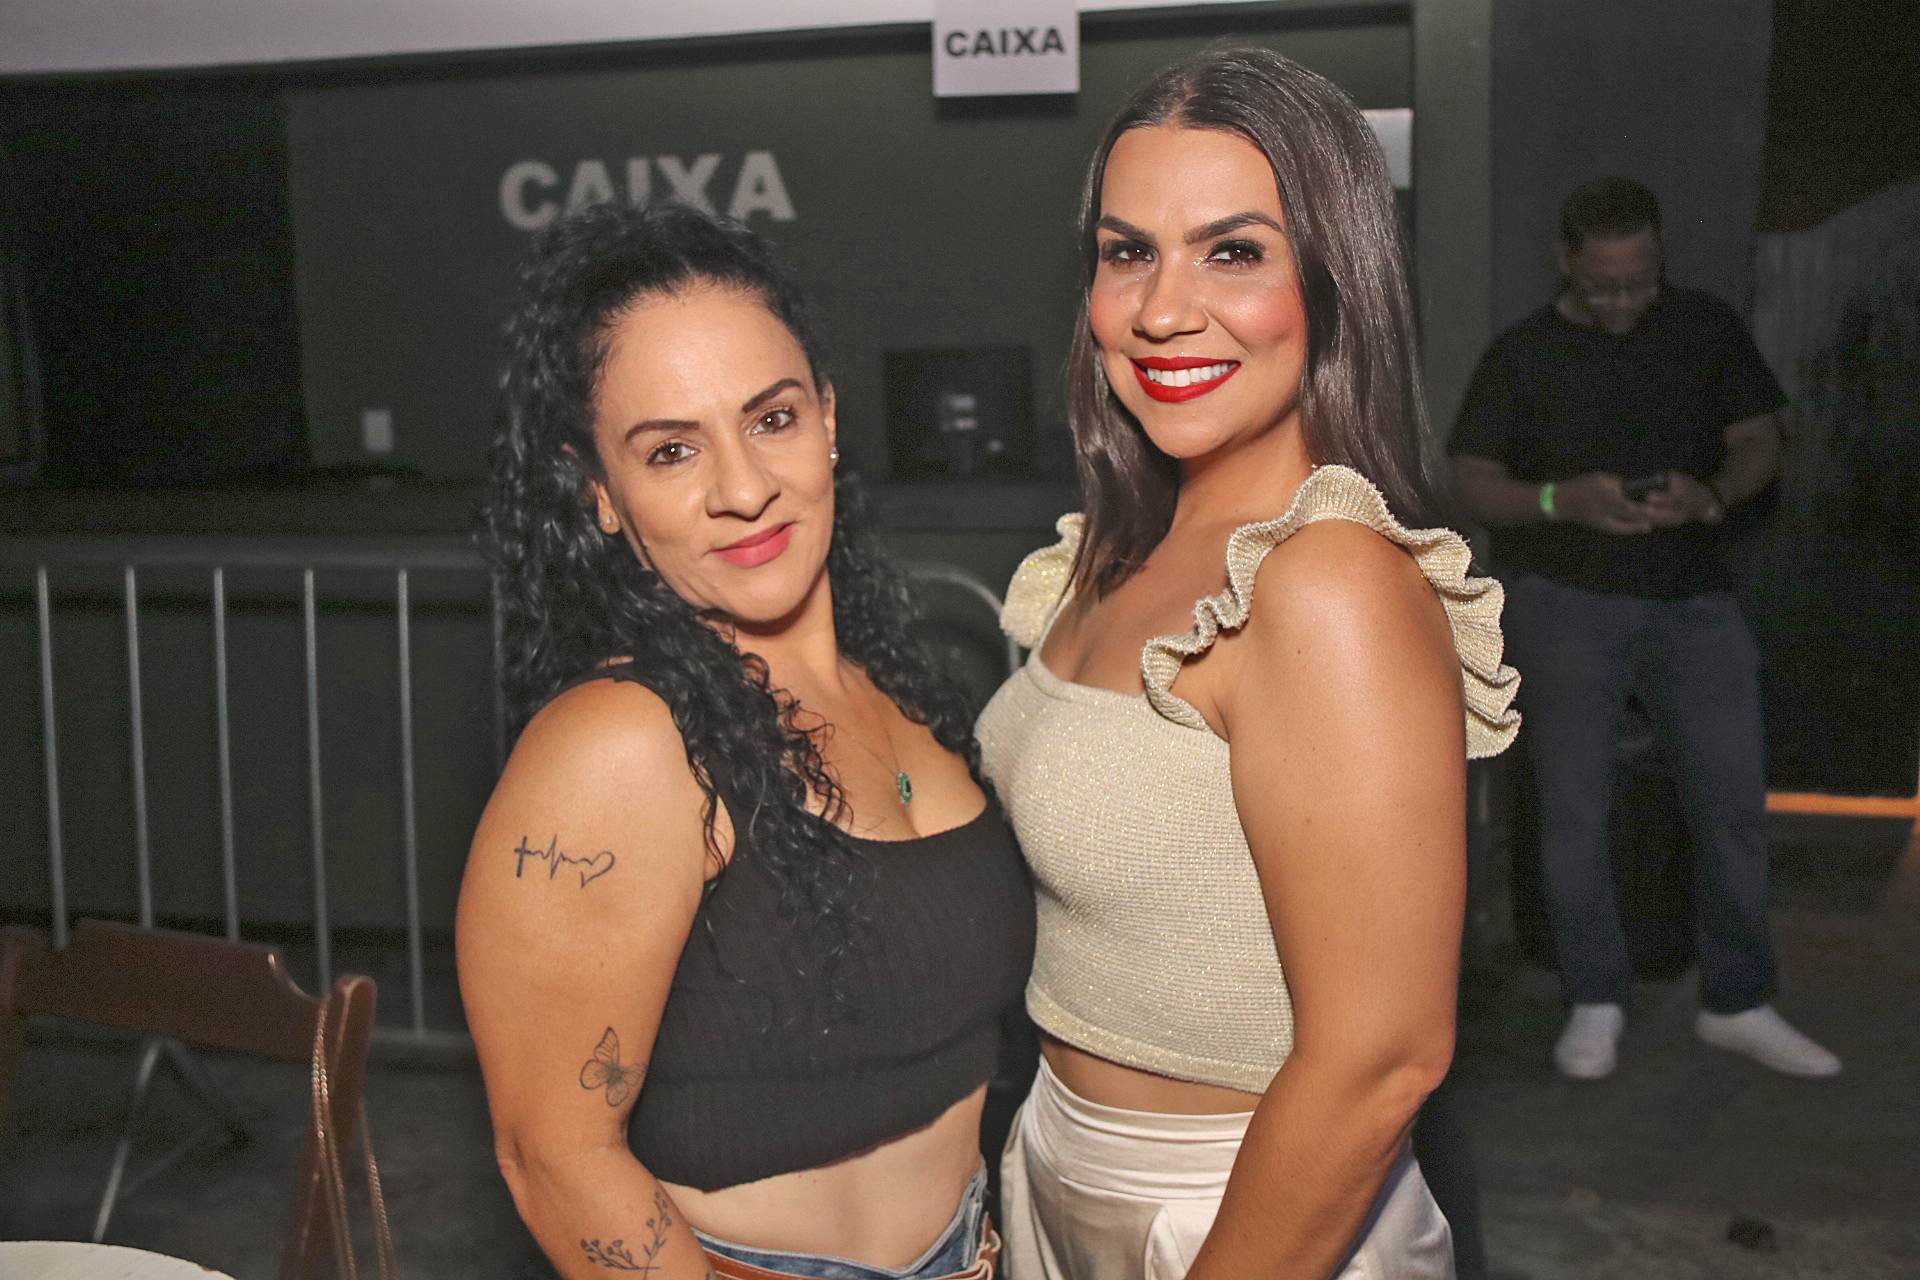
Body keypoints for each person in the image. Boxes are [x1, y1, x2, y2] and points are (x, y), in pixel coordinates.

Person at [975, 47, 1521, 1280]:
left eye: (1232, 251)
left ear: (1335, 278)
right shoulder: (1125, 539)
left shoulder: (1325, 581)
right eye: (1128, 252)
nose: (1163, 308)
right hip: (1064, 1163)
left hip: (1245, 1212)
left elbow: (1381, 1060)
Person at [457, 201, 1034, 1280]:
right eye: (672, 450)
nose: (743, 488)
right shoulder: (620, 745)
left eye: (770, 419)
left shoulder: (896, 684)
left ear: (827, 417)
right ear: (601, 496)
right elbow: (554, 1155)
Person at [1448, 176, 1841, 1082]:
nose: (1625, 300)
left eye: (1641, 280)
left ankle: (1739, 1002)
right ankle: (1595, 999)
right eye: (1604, 285)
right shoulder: (1523, 355)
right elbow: (1466, 482)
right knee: (1573, 814)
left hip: (1694, 600)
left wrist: (1710, 495)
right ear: (1566, 261)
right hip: (1564, 605)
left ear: (1660, 256)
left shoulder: (1704, 328)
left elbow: (1759, 441)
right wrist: (1562, 501)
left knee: (1733, 806)